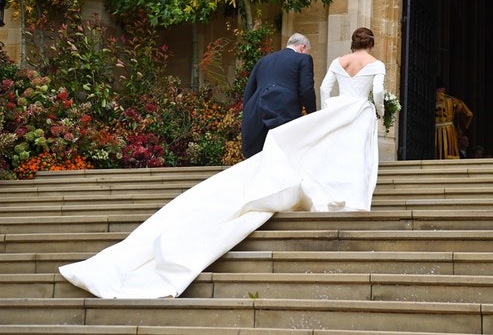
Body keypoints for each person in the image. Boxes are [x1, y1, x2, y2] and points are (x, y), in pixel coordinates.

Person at [58, 27, 385, 299]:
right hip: (308, 111)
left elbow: (253, 91)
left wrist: (316, 113)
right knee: (293, 157)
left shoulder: (269, 59)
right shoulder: (317, 60)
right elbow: (310, 90)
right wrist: (315, 121)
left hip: (259, 112)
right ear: (302, 48)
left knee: (269, 159)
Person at [241, 33, 317, 158]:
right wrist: (312, 115)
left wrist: (247, 116)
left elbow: (249, 91)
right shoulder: (303, 59)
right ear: (303, 47)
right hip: (283, 111)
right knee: (284, 158)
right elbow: (306, 89)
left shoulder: (263, 60)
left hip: (255, 113)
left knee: (260, 160)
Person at [435, 79, 473, 159]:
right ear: (443, 89)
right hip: (448, 129)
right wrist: (464, 125)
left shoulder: (428, 99)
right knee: (447, 152)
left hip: (434, 130)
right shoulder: (451, 100)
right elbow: (468, 114)